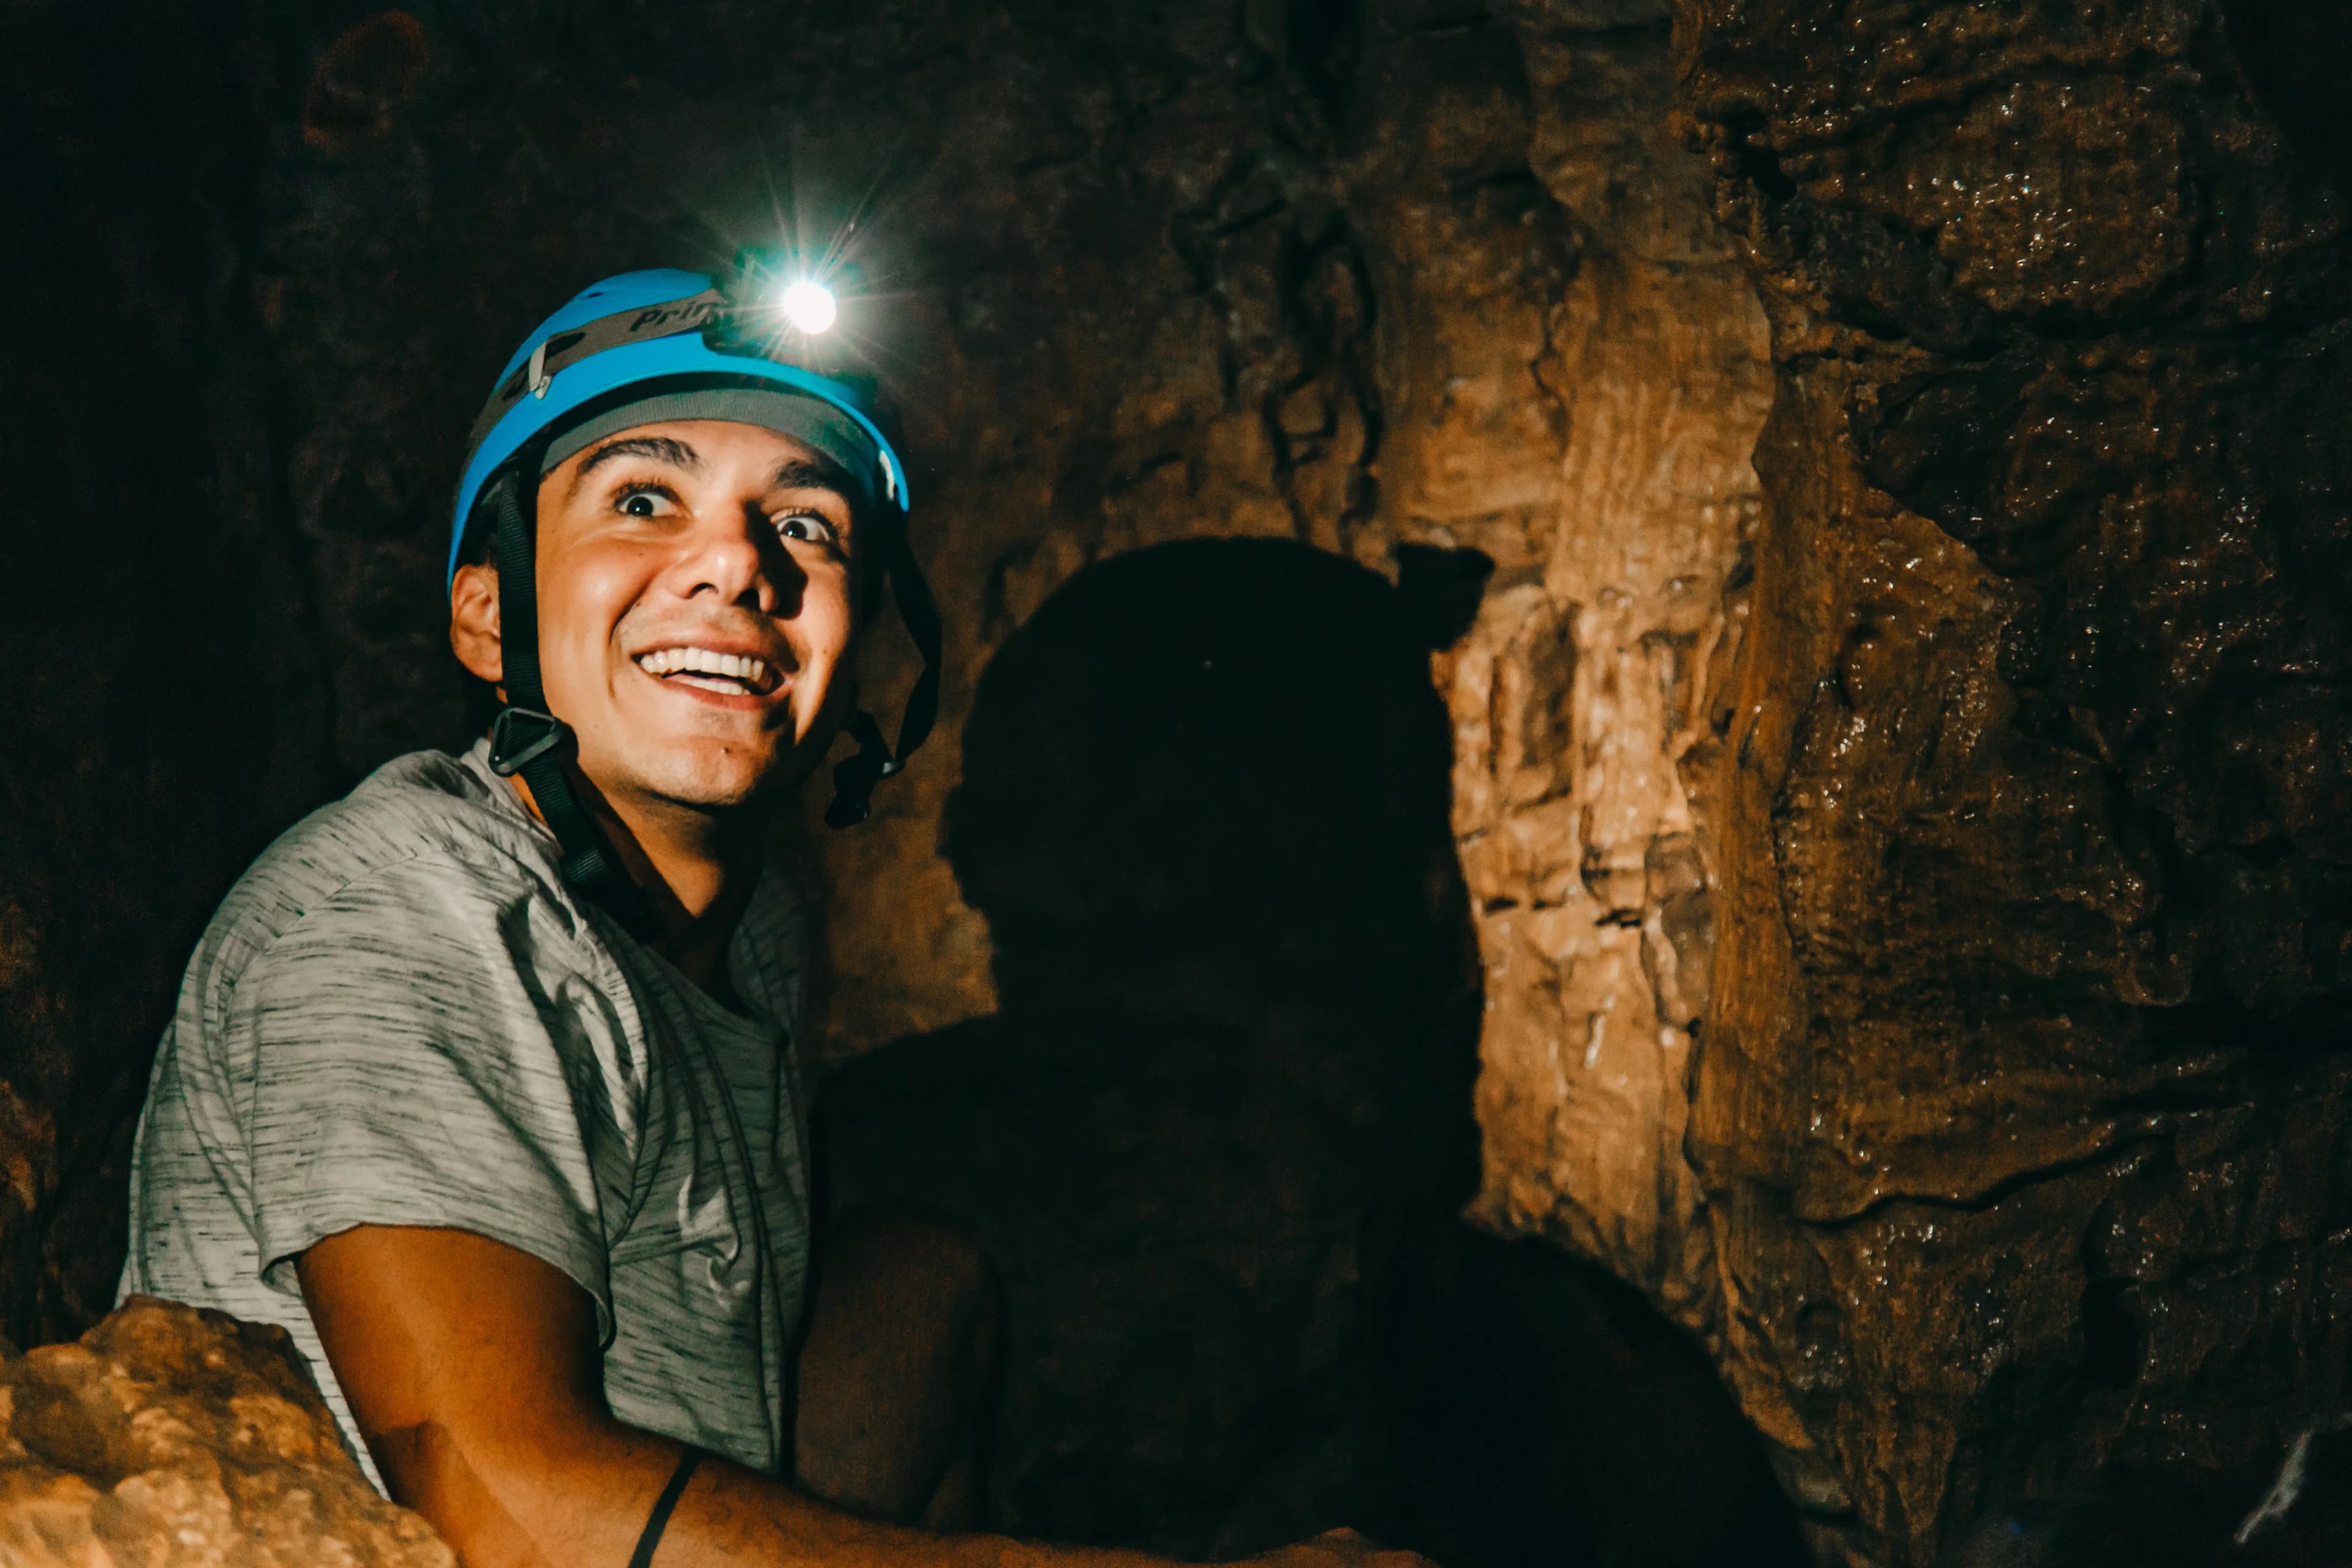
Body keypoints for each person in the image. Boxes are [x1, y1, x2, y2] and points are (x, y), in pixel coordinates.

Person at [116, 262, 1433, 1568]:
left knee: (924, 1287)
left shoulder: (749, 933)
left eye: (806, 524)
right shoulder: (404, 904)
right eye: (644, 499)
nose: (737, 564)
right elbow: (501, 1505)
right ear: (487, 611)